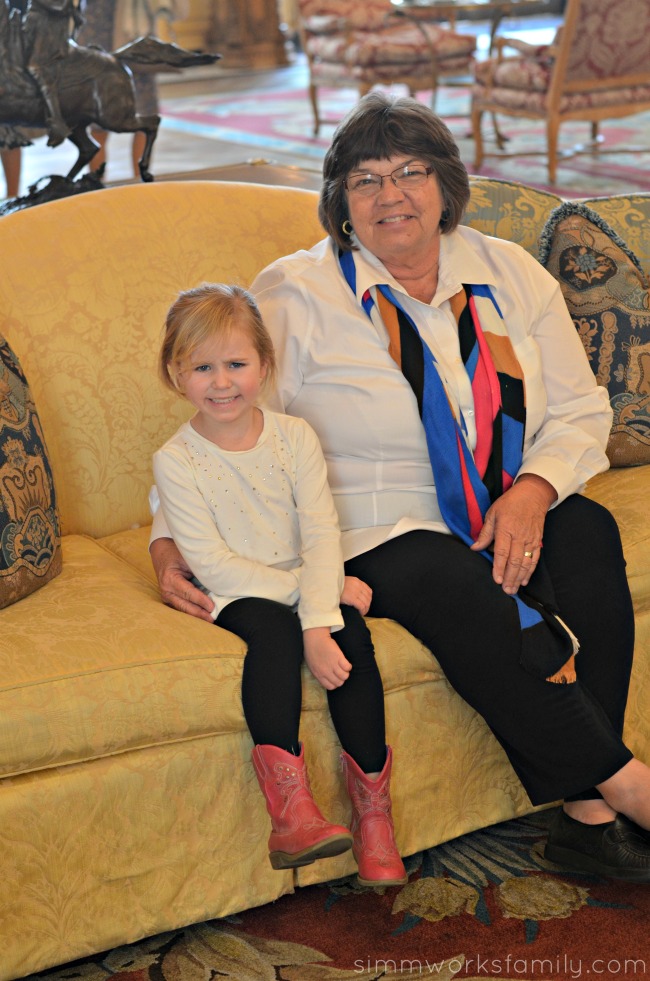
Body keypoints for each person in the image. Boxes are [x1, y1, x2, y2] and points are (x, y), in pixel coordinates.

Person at [151, 92, 650, 882]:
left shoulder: (505, 270)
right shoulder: (295, 294)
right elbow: (227, 418)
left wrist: (533, 489)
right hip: (373, 525)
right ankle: (627, 787)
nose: (392, 195)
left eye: (411, 171)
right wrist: (167, 536)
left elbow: (583, 406)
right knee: (448, 577)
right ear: (341, 204)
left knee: (587, 534)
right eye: (366, 180)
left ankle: (586, 818)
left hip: (501, 494)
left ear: (445, 185)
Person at [152, 282, 407, 887]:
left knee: (351, 639)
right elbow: (211, 564)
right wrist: (312, 602)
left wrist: (322, 616)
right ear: (174, 374)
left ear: (265, 365)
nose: (222, 382)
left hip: (307, 576)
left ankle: (374, 818)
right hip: (238, 593)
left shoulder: (294, 437)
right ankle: (292, 814)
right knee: (273, 637)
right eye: (202, 368)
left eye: (237, 364)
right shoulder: (175, 460)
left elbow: (321, 532)